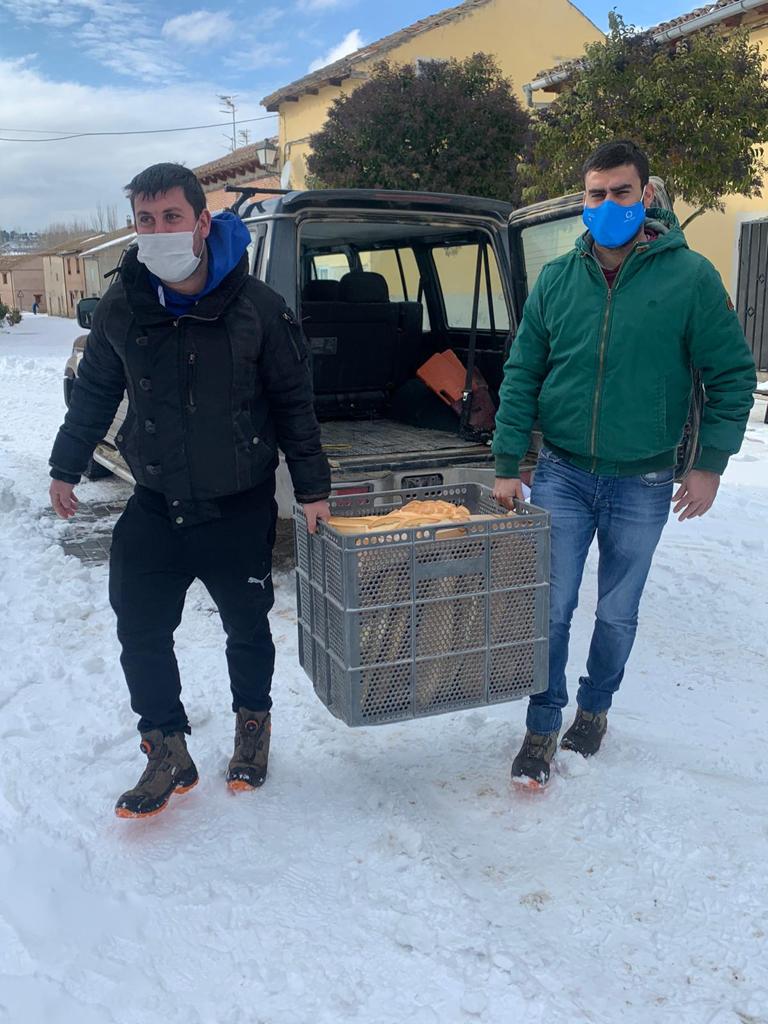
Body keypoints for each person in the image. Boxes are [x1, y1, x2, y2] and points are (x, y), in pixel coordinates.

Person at [49, 162, 331, 818]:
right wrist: (66, 464)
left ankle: (252, 728)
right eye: (145, 221)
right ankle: (165, 746)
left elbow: (295, 404)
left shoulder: (258, 309)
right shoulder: (126, 304)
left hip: (237, 507)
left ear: (202, 222)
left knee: (246, 628)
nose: (158, 232)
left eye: (171, 218)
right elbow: (94, 390)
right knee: (140, 626)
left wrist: (312, 489)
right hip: (154, 502)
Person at [492, 140, 756, 790]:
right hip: (563, 472)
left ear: (647, 196)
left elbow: (731, 375)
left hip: (643, 480)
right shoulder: (557, 279)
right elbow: (523, 371)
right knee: (549, 608)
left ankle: (595, 708)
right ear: (583, 199)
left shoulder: (689, 278)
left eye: (622, 192)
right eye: (596, 193)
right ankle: (542, 723)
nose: (608, 204)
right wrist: (507, 459)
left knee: (616, 611)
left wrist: (708, 464)